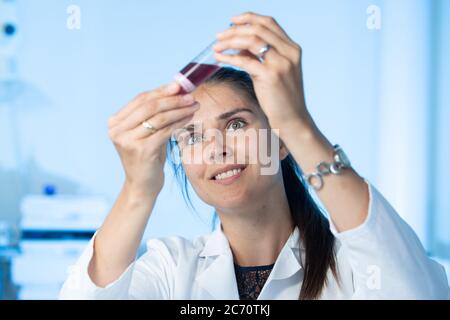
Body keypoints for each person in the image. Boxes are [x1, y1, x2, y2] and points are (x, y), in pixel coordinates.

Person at [59, 12, 449, 300]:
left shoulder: (352, 267)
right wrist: (137, 191)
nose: (217, 148)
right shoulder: (171, 269)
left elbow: (417, 293)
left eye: (236, 125)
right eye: (192, 137)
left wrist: (299, 126)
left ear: (280, 143)